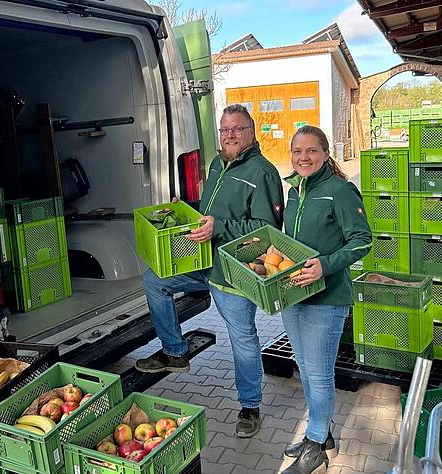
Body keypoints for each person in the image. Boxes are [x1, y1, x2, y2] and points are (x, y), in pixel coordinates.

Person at [135, 104, 284, 438]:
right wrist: (186, 211)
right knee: (154, 280)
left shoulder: (263, 172)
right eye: (224, 129)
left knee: (242, 339)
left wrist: (219, 228)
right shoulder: (218, 163)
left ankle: (250, 406)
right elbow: (209, 211)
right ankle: (175, 351)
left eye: (237, 129)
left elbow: (268, 229)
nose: (230, 135)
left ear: (251, 131)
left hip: (234, 272)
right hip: (203, 262)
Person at [280, 125, 372, 473]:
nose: (304, 158)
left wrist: (325, 266)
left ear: (325, 153)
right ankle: (321, 432)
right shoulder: (295, 191)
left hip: (328, 297)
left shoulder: (340, 191)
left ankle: (316, 444)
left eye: (312, 151)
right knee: (305, 368)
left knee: (319, 374)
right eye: (297, 152)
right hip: (293, 295)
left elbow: (363, 241)